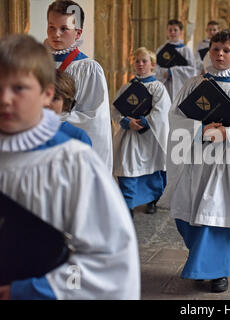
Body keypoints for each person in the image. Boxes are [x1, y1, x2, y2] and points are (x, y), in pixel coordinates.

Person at [0, 34, 140, 300]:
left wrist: (36, 290)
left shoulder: (72, 163)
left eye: (18, 88)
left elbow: (106, 261)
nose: (5, 99)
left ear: (47, 94)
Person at [159, 30, 230, 293]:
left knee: (216, 215)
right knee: (188, 215)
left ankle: (216, 271)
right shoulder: (194, 85)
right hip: (195, 162)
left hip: (226, 165)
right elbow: (175, 118)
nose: (220, 54)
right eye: (216, 49)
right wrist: (199, 129)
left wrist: (226, 133)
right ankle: (201, 260)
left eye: (226, 50)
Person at [46, 0, 113, 173]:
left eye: (64, 29)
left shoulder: (88, 68)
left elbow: (94, 120)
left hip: (68, 150)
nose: (56, 34)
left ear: (78, 33)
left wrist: (49, 119)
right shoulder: (36, 62)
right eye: (51, 27)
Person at [112, 48, 171, 217]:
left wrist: (145, 121)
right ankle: (128, 203)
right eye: (137, 61)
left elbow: (161, 111)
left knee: (151, 168)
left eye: (144, 61)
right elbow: (115, 109)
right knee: (127, 167)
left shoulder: (157, 87)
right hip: (129, 135)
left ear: (152, 65)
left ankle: (152, 200)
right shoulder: (126, 87)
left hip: (150, 136)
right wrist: (125, 120)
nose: (140, 64)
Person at [46, 69, 92, 146]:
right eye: (42, 96)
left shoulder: (78, 137)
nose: (46, 103)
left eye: (54, 99)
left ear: (65, 104)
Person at [154, 19, 197, 101]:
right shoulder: (161, 49)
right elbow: (155, 67)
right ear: (167, 32)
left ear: (180, 32)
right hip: (164, 84)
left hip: (179, 86)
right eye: (170, 30)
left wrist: (172, 72)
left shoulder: (186, 50)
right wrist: (164, 72)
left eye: (175, 30)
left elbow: (192, 70)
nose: (172, 32)